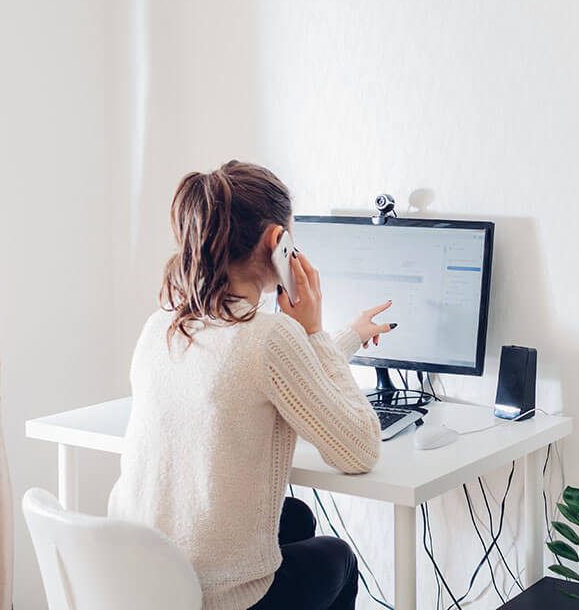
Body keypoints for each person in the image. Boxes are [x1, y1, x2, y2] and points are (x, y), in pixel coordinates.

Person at [108, 160, 394, 610]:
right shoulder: (271, 337)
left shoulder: (163, 324)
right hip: (215, 597)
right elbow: (360, 450)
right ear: (278, 242)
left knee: (295, 518)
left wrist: (348, 337)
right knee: (339, 558)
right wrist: (313, 332)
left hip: (145, 582)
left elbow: (280, 378)